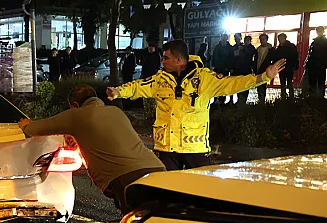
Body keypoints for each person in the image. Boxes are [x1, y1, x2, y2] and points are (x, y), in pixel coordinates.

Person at [107, 40, 286, 171]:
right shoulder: (160, 79)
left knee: (199, 192)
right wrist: (118, 92)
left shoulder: (204, 78)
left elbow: (233, 83)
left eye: (166, 58)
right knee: (167, 192)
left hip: (195, 148)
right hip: (167, 148)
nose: (163, 62)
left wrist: (262, 77)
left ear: (178, 60)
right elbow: (138, 87)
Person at [18, 85, 165, 213]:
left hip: (124, 176)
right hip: (156, 168)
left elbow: (37, 129)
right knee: (162, 219)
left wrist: (26, 125)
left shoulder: (76, 115)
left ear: (75, 104)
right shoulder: (115, 111)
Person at [211, 34, 234, 105]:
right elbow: (214, 56)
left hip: (225, 69)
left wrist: (229, 67)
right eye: (222, 38)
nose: (223, 39)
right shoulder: (217, 47)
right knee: (216, 84)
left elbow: (231, 58)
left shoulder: (229, 48)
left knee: (223, 84)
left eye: (225, 38)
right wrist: (213, 65)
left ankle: (222, 99)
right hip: (218, 68)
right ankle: (215, 99)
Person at [275, 33, 299, 99]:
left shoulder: (289, 47)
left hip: (288, 67)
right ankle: (285, 95)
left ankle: (289, 96)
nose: (280, 40)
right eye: (279, 39)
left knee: (288, 82)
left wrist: (294, 65)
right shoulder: (280, 48)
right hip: (283, 67)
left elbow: (295, 57)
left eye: (281, 39)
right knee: (283, 82)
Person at [305, 26, 327, 98]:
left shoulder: (319, 42)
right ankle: (315, 97)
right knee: (314, 82)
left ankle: (316, 97)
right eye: (318, 31)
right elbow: (310, 54)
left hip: (319, 65)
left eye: (320, 31)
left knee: (317, 82)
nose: (318, 32)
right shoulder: (316, 42)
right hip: (316, 65)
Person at [234, 35, 256, 104]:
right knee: (239, 85)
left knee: (246, 85)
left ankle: (244, 100)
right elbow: (236, 56)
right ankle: (239, 99)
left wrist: (243, 49)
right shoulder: (242, 47)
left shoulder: (251, 48)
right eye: (245, 40)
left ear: (250, 41)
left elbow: (250, 53)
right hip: (239, 69)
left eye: (247, 40)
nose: (246, 42)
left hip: (247, 69)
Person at [255, 33, 275, 104]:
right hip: (258, 69)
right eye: (261, 39)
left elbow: (273, 58)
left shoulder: (270, 49)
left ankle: (262, 100)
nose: (262, 41)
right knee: (259, 85)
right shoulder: (258, 49)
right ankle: (261, 100)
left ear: (266, 40)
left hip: (265, 69)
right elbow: (256, 60)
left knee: (263, 85)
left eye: (263, 39)